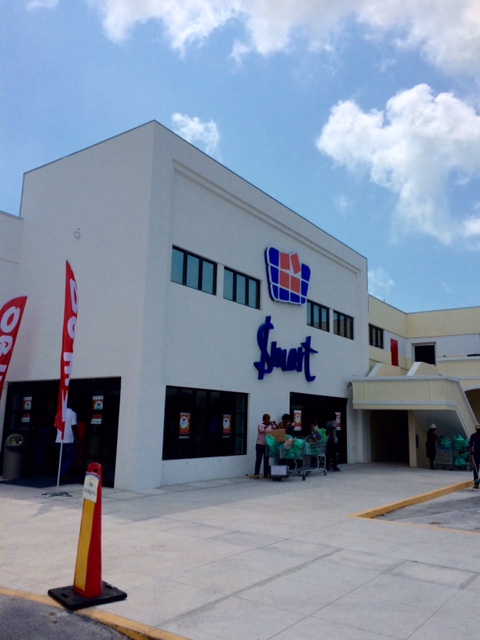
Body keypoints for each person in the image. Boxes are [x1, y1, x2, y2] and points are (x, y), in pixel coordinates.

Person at [55, 406, 78, 482]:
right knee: (72, 456)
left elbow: (55, 426)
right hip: (69, 439)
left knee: (62, 458)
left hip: (59, 439)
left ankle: (63, 473)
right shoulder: (72, 413)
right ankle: (63, 472)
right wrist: (76, 437)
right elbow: (74, 426)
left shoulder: (58, 414)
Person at [253, 413, 275, 479]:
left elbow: (275, 429)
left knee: (266, 460)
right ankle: (256, 473)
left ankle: (266, 474)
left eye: (269, 419)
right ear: (264, 419)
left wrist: (273, 424)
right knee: (258, 459)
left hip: (267, 445)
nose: (268, 420)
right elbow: (262, 430)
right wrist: (267, 425)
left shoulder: (270, 426)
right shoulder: (260, 425)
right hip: (260, 444)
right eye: (267, 419)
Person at [469, 424, 480, 489]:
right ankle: (476, 483)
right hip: (476, 454)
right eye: (477, 429)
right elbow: (470, 444)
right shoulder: (473, 436)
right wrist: (471, 450)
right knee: (476, 468)